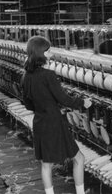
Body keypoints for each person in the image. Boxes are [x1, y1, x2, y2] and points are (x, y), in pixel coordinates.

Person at [21, 36, 92, 194]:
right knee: (79, 159)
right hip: (54, 123)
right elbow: (64, 99)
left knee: (46, 165)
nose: (51, 53)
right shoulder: (48, 75)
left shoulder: (25, 76)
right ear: (42, 53)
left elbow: (27, 104)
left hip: (39, 122)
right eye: (48, 50)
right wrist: (82, 102)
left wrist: (44, 107)